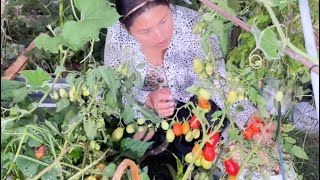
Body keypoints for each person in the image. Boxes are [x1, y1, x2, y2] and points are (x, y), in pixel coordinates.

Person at [104, 0, 274, 154]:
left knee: (194, 144)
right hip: (140, 113)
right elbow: (113, 93)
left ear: (170, 6)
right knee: (132, 151)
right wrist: (146, 101)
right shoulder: (119, 39)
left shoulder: (193, 25)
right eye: (146, 31)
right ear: (126, 29)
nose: (160, 36)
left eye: (163, 21)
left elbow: (215, 79)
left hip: (187, 109)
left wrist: (248, 117)